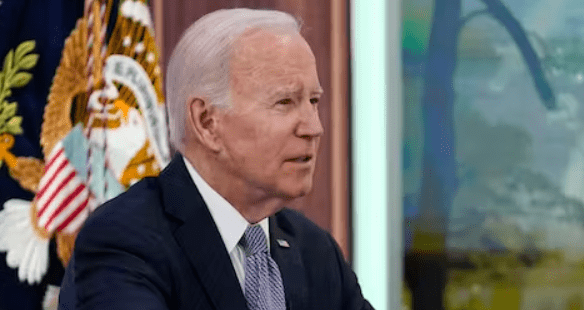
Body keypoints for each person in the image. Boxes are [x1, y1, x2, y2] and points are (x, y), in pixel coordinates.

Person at [58, 8, 374, 310]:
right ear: (207, 121)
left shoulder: (313, 250)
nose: (313, 128)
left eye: (314, 101)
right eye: (284, 102)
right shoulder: (125, 241)